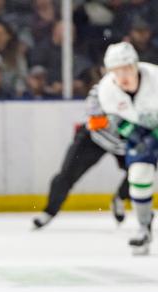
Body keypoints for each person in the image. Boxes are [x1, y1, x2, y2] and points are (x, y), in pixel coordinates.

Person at [67, 42, 156, 254]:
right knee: (139, 177)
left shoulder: (155, 77)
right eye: (117, 71)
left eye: (127, 68)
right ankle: (144, 228)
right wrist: (139, 139)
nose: (123, 75)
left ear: (136, 65)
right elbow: (117, 121)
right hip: (140, 130)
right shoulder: (106, 89)